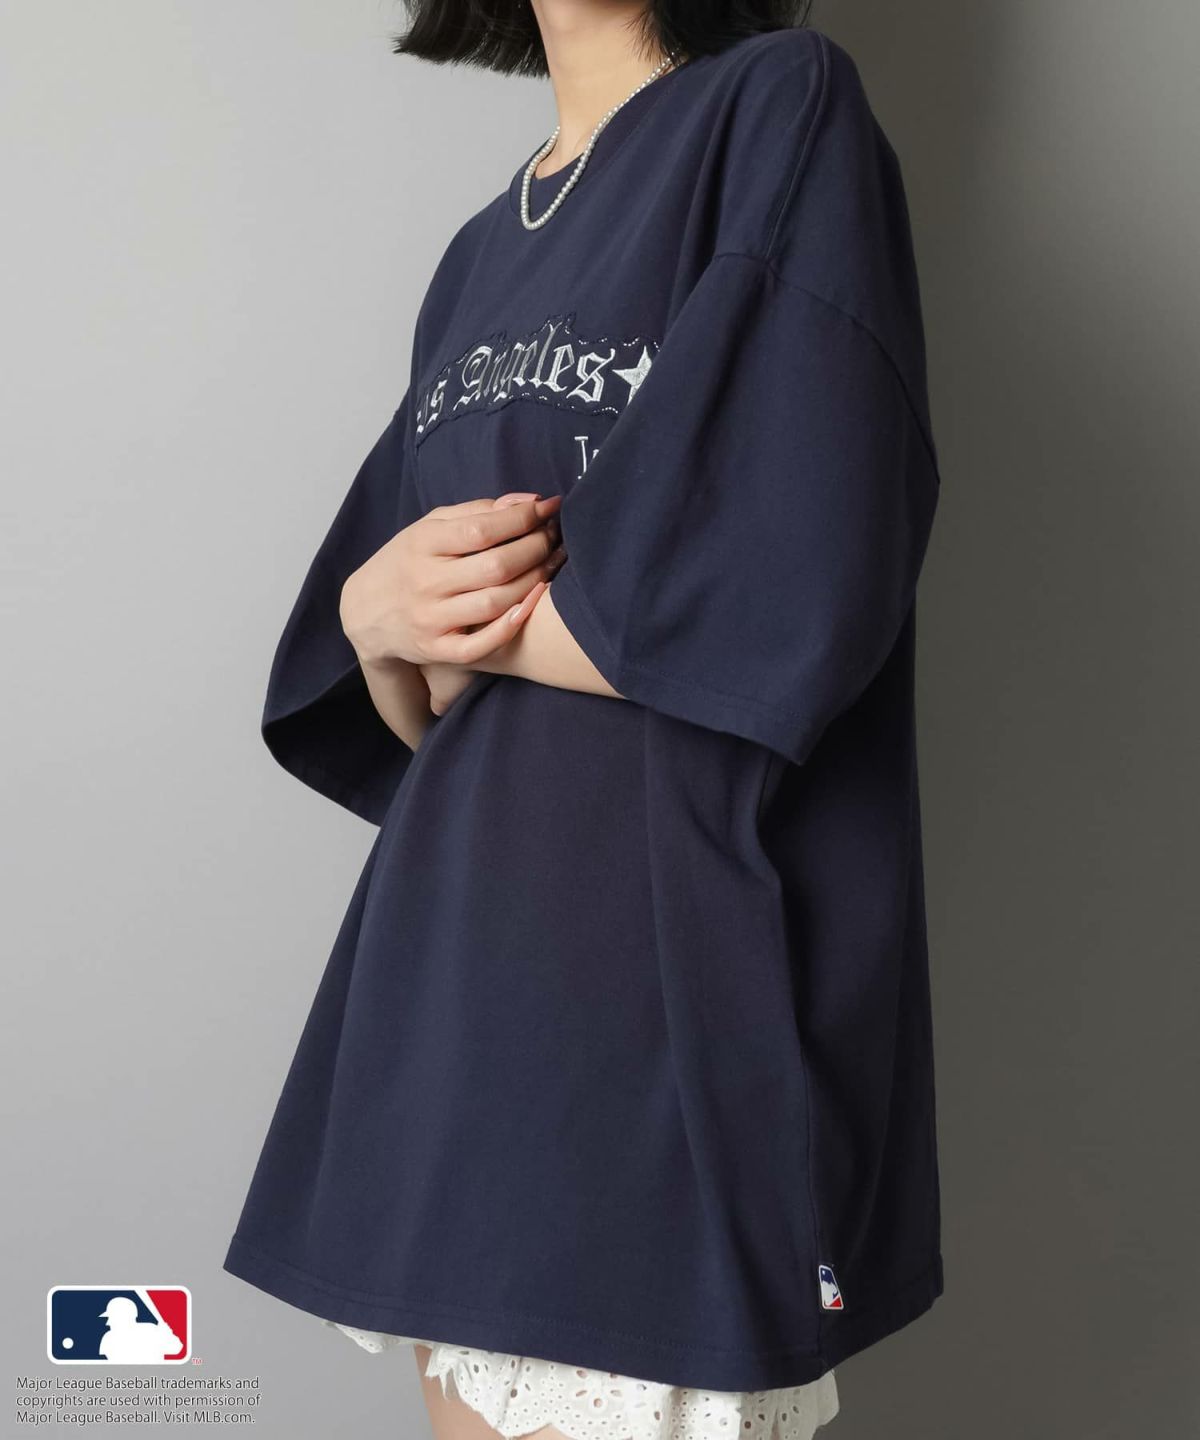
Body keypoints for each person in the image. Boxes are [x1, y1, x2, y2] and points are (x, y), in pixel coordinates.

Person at [222, 1, 945, 1436]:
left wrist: (464, 628)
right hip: (456, 995)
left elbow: (792, 573)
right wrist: (374, 619)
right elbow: (434, 714)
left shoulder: (778, 106)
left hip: (659, 995)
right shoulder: (480, 252)